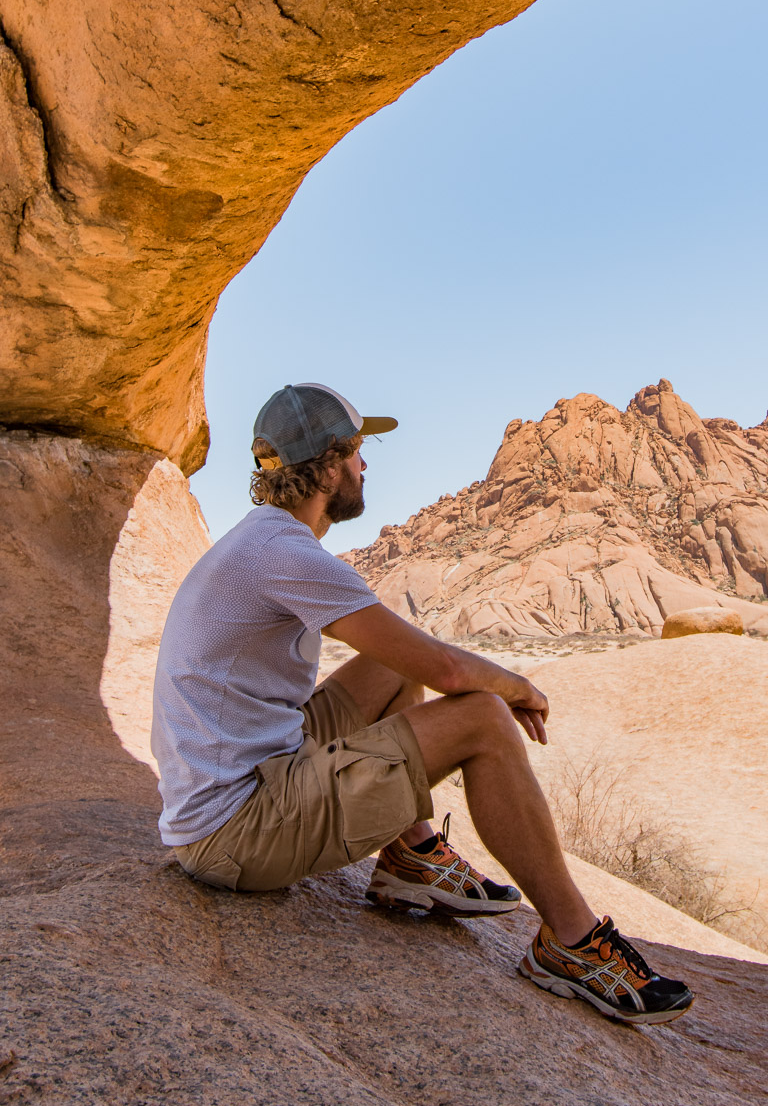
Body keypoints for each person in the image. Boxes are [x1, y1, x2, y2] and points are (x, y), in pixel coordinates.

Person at [151, 382, 694, 1026]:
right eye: (356, 453)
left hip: (254, 778)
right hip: (234, 832)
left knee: (391, 663)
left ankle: (410, 852)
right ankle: (571, 944)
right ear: (327, 468)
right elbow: (444, 668)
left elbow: (413, 659)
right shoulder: (284, 552)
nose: (364, 466)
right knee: (485, 719)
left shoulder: (264, 539)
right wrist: (520, 689)